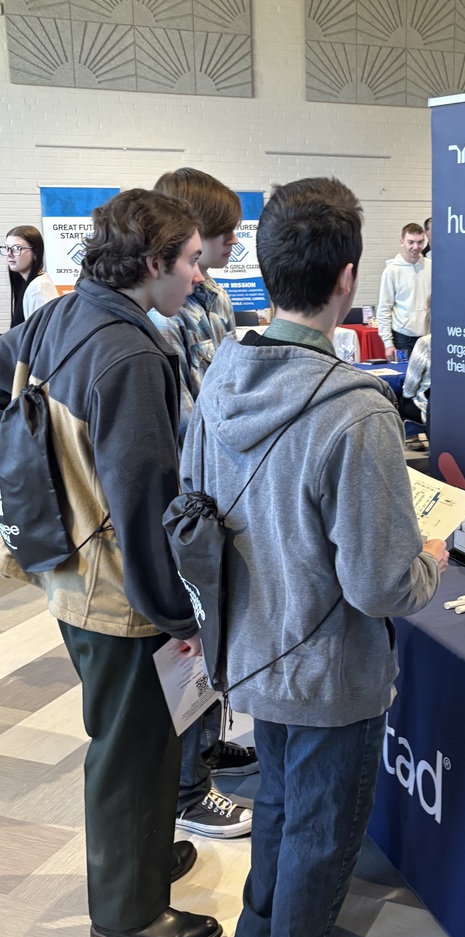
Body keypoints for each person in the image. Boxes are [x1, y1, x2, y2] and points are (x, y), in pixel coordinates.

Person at [180, 176, 448, 937]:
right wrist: (431, 558)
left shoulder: (223, 371)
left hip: (250, 651)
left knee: (282, 809)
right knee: (321, 840)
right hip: (331, 671)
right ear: (347, 278)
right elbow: (379, 584)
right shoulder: (357, 411)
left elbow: (192, 502)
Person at [0, 189, 223, 937]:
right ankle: (126, 912)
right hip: (117, 587)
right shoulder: (130, 352)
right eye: (192, 260)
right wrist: (176, 610)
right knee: (130, 747)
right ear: (154, 262)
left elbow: (6, 371)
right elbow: (145, 502)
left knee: (150, 736)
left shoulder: (69, 310)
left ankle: (145, 857)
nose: (199, 276)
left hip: (67, 565)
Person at [151, 167, 255, 840]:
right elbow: (189, 416)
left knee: (218, 639)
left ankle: (211, 748)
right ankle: (190, 790)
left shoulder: (213, 296)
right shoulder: (165, 314)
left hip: (224, 488)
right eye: (219, 236)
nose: (228, 245)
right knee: (192, 639)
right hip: (192, 500)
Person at [376, 221, 431, 361]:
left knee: (427, 381)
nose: (416, 247)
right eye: (410, 242)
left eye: (420, 242)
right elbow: (384, 309)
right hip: (402, 337)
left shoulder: (431, 267)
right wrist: (388, 344)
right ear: (402, 242)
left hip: (427, 336)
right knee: (405, 380)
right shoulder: (391, 271)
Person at [4, 224, 58, 327]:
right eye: (7, 248)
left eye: (17, 248)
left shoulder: (38, 289)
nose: (9, 254)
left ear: (35, 253)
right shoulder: (32, 284)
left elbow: (43, 336)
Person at [399, 331, 431, 434]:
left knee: (399, 399)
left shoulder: (425, 342)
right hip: (464, 407)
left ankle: (411, 436)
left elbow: (413, 378)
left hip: (429, 407)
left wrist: (407, 394)